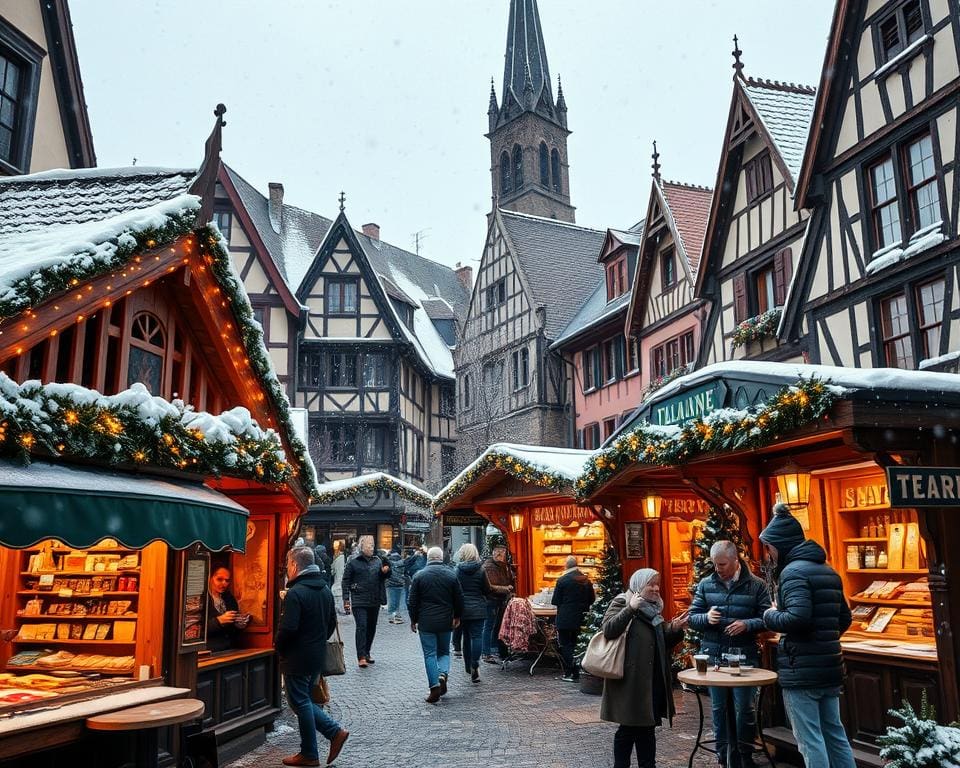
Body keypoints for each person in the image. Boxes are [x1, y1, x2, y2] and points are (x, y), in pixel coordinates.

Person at [760, 503, 856, 768]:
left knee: (810, 740)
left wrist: (770, 614)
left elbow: (796, 618)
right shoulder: (828, 571)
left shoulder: (792, 573)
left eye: (769, 548)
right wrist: (824, 639)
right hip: (830, 666)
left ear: (779, 545)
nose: (768, 555)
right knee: (835, 735)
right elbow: (845, 618)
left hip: (802, 669)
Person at [688, 540, 771, 767]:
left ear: (736, 561)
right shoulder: (706, 584)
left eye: (722, 564)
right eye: (715, 564)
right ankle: (723, 754)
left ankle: (745, 754)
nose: (718, 569)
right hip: (714, 656)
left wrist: (747, 624)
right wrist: (706, 618)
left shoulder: (757, 585)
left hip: (744, 657)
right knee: (718, 707)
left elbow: (767, 618)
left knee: (744, 707)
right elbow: (692, 617)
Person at [601, 568, 689, 768]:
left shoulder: (654, 608)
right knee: (628, 729)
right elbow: (608, 630)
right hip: (630, 681)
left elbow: (659, 640)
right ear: (639, 585)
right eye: (651, 584)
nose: (656, 588)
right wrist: (630, 609)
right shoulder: (623, 601)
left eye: (657, 583)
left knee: (647, 729)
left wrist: (674, 628)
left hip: (651, 680)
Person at [275, 546, 349, 767]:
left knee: (300, 703)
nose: (287, 569)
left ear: (295, 566)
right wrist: (315, 641)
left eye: (288, 565)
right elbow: (331, 623)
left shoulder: (296, 593)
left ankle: (312, 751)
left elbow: (288, 628)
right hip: (316, 655)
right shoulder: (324, 589)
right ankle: (331, 735)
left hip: (297, 657)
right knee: (305, 700)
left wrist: (278, 646)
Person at [408, 546, 465, 703]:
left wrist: (413, 619)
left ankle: (434, 687)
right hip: (445, 620)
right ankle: (442, 674)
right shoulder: (451, 575)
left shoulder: (419, 576)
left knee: (429, 654)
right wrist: (457, 616)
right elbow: (459, 598)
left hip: (426, 621)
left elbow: (412, 601)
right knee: (444, 652)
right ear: (441, 558)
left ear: (428, 558)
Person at [342, 535, 391, 668]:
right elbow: (346, 580)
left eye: (373, 545)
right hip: (359, 599)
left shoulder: (377, 560)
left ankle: (367, 652)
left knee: (371, 627)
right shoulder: (353, 561)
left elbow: (383, 577)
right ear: (361, 546)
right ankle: (361, 656)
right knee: (362, 626)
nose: (371, 548)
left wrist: (385, 571)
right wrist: (346, 598)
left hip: (374, 599)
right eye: (369, 545)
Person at [552, 554, 595, 682]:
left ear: (566, 565)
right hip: (582, 617)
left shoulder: (562, 580)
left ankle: (569, 673)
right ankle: (578, 671)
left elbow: (555, 601)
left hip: (565, 618)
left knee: (566, 644)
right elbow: (592, 599)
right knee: (578, 643)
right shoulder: (586, 580)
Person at [455, 543, 491, 683]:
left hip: (463, 608)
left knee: (466, 637)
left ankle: (467, 666)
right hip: (478, 608)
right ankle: (475, 663)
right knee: (477, 636)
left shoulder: (457, 570)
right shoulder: (481, 570)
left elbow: (455, 590)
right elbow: (487, 589)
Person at [481, 543, 515, 663]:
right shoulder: (489, 567)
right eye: (499, 552)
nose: (501, 555)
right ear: (494, 553)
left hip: (498, 600)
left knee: (497, 625)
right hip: (491, 600)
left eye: (503, 553)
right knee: (489, 625)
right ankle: (486, 652)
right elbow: (490, 586)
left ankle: (495, 649)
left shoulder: (502, 565)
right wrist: (506, 589)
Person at [206, 565, 250, 652]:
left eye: (227, 580)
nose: (224, 584)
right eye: (219, 579)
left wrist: (239, 625)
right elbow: (194, 629)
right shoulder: (201, 599)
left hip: (229, 649)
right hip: (208, 652)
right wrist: (218, 621)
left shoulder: (229, 598)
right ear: (209, 578)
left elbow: (233, 631)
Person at [386, 546, 407, 624]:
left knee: (391, 600)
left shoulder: (388, 561)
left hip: (390, 584)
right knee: (399, 602)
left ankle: (392, 616)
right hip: (400, 584)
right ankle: (398, 616)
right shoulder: (402, 561)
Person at [331, 548, 346, 614]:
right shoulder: (346, 559)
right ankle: (342, 609)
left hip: (337, 582)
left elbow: (332, 571)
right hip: (343, 581)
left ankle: (337, 608)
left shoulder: (336, 560)